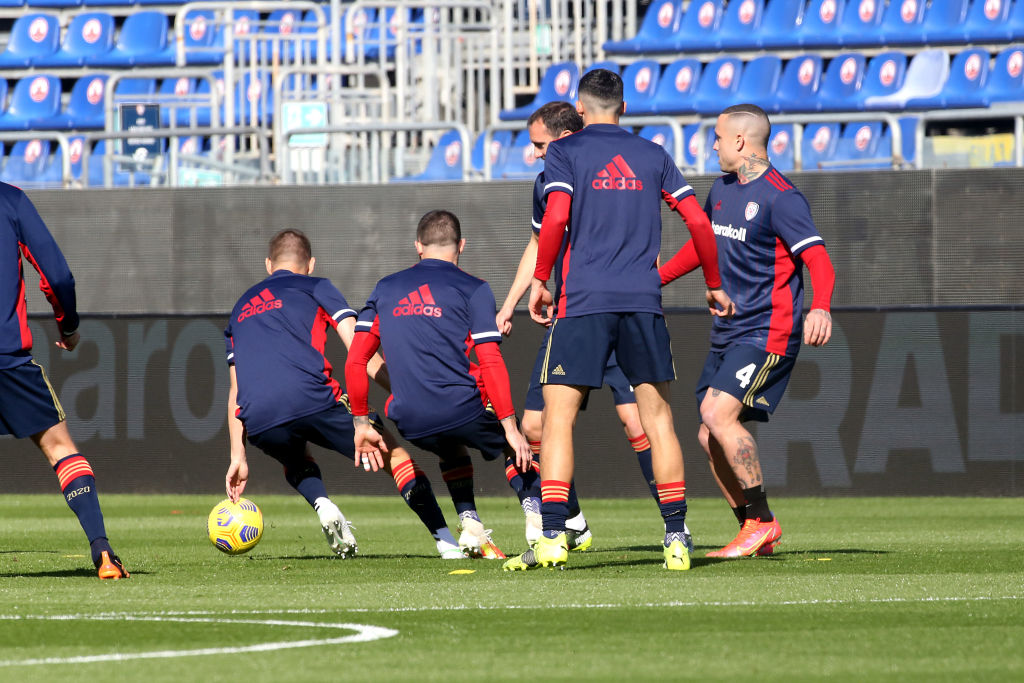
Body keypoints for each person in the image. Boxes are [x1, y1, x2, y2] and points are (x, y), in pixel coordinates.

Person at [504, 69, 731, 572]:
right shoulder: (653, 155)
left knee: (558, 420)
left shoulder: (567, 152)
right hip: (643, 302)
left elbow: (557, 218)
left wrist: (541, 279)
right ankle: (675, 538)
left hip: (583, 302)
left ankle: (555, 539)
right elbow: (698, 221)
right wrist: (713, 284)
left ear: (580, 112)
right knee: (658, 420)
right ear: (623, 108)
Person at [659, 103, 835, 557]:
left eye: (718, 136)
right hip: (729, 332)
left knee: (719, 417)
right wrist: (654, 279)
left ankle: (762, 521)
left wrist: (821, 307)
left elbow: (818, 258)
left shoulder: (781, 196)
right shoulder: (720, 189)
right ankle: (752, 528)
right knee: (707, 432)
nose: (713, 144)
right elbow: (703, 248)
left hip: (768, 330)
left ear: (740, 140)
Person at [224, 229, 464, 560]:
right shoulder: (316, 286)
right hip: (312, 396)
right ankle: (446, 541)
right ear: (310, 264)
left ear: (268, 264)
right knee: (394, 456)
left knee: (295, 458)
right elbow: (358, 349)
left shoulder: (239, 309)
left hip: (259, 416)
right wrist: (405, 389)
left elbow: (235, 389)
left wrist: (238, 455)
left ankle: (322, 504)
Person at [346, 210, 535, 559]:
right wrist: (510, 426)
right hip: (461, 407)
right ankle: (537, 524)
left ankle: (471, 526)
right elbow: (490, 360)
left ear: (418, 246)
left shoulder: (385, 288)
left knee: (449, 446)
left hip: (409, 420)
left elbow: (357, 360)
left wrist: (360, 421)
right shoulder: (474, 288)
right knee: (517, 441)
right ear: (461, 246)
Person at [0, 182, 128, 579]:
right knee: (60, 449)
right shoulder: (10, 200)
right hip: (7, 359)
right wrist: (68, 324)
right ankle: (103, 553)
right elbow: (57, 275)